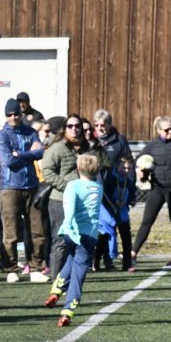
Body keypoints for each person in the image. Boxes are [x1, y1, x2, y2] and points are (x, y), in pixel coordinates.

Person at [40, 114, 104, 278]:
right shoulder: (57, 148)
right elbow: (47, 172)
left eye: (77, 126)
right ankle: (57, 279)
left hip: (83, 201)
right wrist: (67, 187)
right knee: (61, 240)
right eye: (70, 126)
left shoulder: (86, 148)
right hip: (60, 199)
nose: (74, 129)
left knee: (81, 238)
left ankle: (72, 277)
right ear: (64, 128)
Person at [45, 154, 102, 327]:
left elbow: (69, 207)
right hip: (88, 235)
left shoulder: (73, 185)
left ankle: (56, 290)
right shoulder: (98, 187)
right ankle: (68, 311)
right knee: (78, 274)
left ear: (77, 168)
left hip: (70, 234)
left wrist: (68, 227)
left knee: (72, 258)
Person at [0, 98, 47, 281]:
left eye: (16, 113)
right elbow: (8, 161)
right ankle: (11, 269)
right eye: (9, 114)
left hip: (32, 185)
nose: (13, 117)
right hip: (10, 187)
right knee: (11, 231)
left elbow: (40, 152)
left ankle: (36, 267)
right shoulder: (1, 136)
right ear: (6, 116)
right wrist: (29, 154)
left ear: (21, 113)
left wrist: (21, 154)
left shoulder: (31, 132)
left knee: (37, 230)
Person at [131, 116, 171, 265]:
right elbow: (139, 160)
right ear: (158, 130)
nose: (170, 132)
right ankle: (133, 252)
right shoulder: (153, 145)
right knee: (147, 221)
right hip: (157, 188)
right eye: (166, 130)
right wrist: (140, 170)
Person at [92, 110, 134, 271]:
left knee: (124, 225)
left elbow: (129, 164)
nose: (99, 128)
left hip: (117, 190)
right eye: (96, 125)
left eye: (103, 125)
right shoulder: (91, 141)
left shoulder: (119, 140)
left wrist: (130, 193)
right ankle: (98, 261)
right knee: (105, 227)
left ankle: (127, 262)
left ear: (109, 125)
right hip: (99, 190)